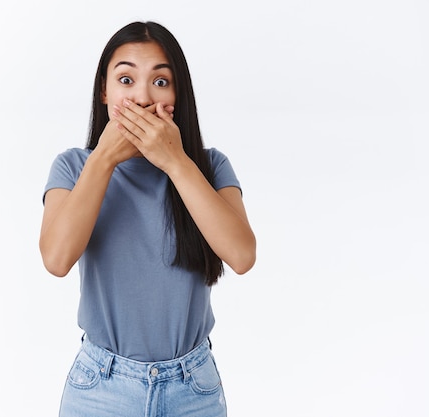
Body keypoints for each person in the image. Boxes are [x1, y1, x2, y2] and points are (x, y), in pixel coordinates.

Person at [39, 20, 256, 417]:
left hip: (194, 388)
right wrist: (104, 158)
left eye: (160, 82)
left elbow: (242, 256)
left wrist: (175, 160)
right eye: (125, 79)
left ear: (178, 94)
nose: (141, 96)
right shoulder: (74, 167)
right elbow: (56, 259)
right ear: (104, 91)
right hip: (100, 388)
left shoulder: (210, 167)